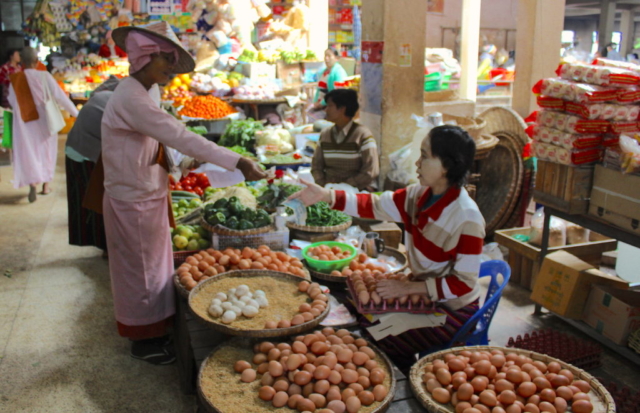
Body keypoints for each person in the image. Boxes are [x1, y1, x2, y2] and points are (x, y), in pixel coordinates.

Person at [102, 22, 267, 364]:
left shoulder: (148, 91)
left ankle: (157, 327)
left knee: (153, 266)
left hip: (148, 190)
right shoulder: (132, 96)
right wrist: (238, 161)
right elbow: (178, 134)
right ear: (144, 57)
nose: (172, 67)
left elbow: (162, 137)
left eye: (173, 59)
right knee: (139, 271)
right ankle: (143, 339)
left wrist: (180, 164)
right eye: (166, 58)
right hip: (132, 199)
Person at [291, 125, 485, 369]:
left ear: (447, 165)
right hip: (422, 291)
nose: (417, 163)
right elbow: (373, 204)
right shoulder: (417, 196)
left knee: (384, 338)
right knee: (362, 314)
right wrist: (326, 196)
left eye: (425, 156)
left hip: (453, 309)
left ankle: (405, 382)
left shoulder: (466, 218)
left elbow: (463, 284)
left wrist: (409, 288)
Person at [7, 47, 79, 202]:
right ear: (36, 60)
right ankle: (46, 186)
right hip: (45, 120)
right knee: (47, 151)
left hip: (25, 121)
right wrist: (77, 114)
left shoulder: (16, 79)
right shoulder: (44, 76)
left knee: (29, 152)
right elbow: (61, 97)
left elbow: (12, 101)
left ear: (23, 62)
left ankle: (32, 183)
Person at [64, 76, 121, 254]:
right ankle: (105, 246)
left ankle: (103, 244)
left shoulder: (105, 97)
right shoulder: (116, 104)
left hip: (77, 149)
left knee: (88, 200)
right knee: (95, 200)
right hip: (84, 154)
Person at [311, 88, 379, 191]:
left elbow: (370, 171)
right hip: (329, 191)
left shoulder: (362, 135)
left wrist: (344, 187)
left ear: (342, 109)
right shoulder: (325, 134)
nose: (326, 110)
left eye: (330, 106)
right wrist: (324, 185)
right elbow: (316, 166)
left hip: (356, 192)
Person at [308, 49, 348, 120]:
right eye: (325, 56)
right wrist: (315, 102)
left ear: (336, 58)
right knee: (307, 112)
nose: (326, 58)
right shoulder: (323, 72)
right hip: (321, 106)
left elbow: (337, 93)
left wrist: (322, 103)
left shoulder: (339, 72)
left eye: (329, 56)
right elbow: (318, 90)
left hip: (331, 107)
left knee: (314, 119)